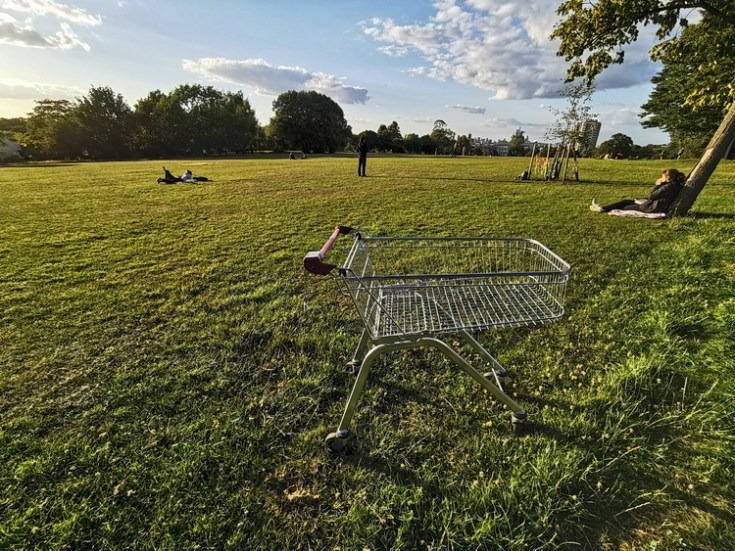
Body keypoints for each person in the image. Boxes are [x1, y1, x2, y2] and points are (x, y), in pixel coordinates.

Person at [590, 168, 686, 214]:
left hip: (652, 208)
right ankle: (603, 208)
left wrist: (658, 184)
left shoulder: (667, 187)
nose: (661, 177)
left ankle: (602, 209)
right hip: (655, 205)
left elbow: (652, 195)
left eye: (662, 176)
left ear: (667, 177)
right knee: (626, 201)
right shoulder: (675, 185)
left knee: (625, 205)